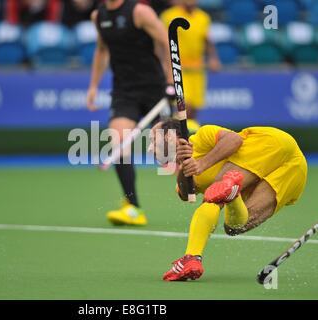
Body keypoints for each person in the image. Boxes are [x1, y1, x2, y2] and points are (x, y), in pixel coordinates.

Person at [149, 119, 307, 281]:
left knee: (212, 198)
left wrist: (202, 164)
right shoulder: (184, 169)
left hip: (270, 141)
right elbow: (185, 193)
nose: (150, 148)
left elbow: (234, 140)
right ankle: (234, 195)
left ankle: (192, 258)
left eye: (153, 140)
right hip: (294, 169)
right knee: (235, 226)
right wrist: (184, 168)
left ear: (170, 136)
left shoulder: (201, 137)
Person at [86, 0, 174, 226]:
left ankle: (208, 190)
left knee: (169, 153)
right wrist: (94, 85)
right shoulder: (99, 16)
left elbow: (165, 41)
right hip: (124, 92)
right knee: (118, 142)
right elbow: (102, 49)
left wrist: (171, 80)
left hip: (155, 89)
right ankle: (132, 207)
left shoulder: (139, 12)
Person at [160, 0, 221, 132]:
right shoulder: (169, 15)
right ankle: (178, 137)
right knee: (184, 106)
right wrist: (164, 65)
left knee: (195, 109)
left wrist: (213, 58)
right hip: (178, 68)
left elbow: (207, 40)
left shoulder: (203, 17)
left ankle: (190, 139)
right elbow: (161, 42)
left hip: (197, 69)